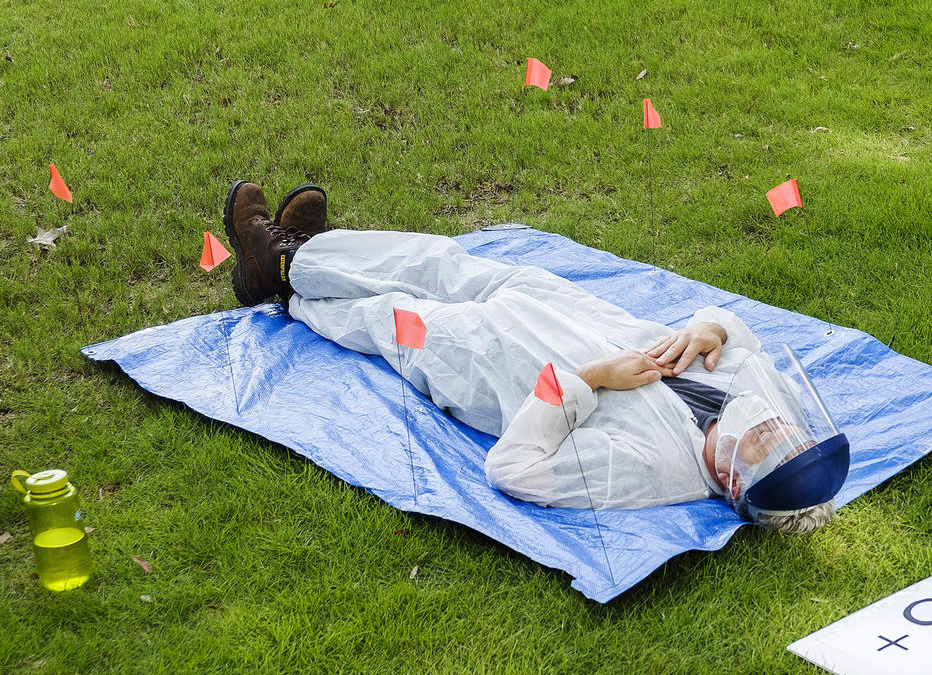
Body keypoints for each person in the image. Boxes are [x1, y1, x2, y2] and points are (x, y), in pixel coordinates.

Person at [216, 182, 847, 528]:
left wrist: (588, 380)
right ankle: (304, 254)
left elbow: (514, 469)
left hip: (484, 364)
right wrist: (711, 328)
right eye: (785, 431)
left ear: (734, 475)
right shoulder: (769, 415)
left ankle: (281, 275)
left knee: (392, 320)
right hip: (561, 309)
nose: (774, 426)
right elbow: (744, 338)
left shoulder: (649, 473)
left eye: (768, 442)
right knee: (440, 262)